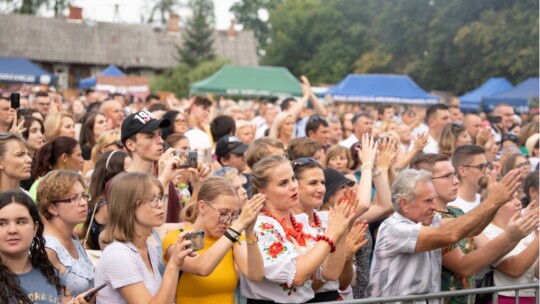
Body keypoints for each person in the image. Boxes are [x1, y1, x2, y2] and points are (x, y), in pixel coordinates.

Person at [365, 167, 521, 302]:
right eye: (428, 201)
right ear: (405, 204)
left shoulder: (431, 221)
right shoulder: (393, 228)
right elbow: (450, 234)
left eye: (434, 199)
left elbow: (472, 229)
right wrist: (492, 202)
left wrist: (496, 203)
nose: (434, 206)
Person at [411, 153, 538, 304]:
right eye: (447, 176)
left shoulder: (456, 211)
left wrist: (517, 232)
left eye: (454, 175)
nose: (456, 181)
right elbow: (464, 266)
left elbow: (491, 250)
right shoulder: (426, 219)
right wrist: (494, 203)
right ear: (424, 182)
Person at [241, 155, 355, 303]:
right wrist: (332, 234)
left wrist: (341, 227)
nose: (293, 186)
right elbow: (297, 275)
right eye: (283, 183)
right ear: (263, 193)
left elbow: (330, 273)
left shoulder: (302, 221)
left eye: (293, 179)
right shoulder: (260, 226)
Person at [163, 176, 265, 304]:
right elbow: (202, 267)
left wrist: (249, 232)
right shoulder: (178, 238)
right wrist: (237, 226)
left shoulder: (230, 238)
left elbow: (256, 274)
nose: (228, 220)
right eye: (223, 213)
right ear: (202, 207)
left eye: (233, 215)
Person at [94, 172, 193, 303]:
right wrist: (174, 264)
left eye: (160, 197)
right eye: (152, 199)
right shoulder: (118, 255)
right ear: (128, 206)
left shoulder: (149, 249)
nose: (160, 204)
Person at [291, 157, 369, 302]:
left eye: (323, 182)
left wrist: (346, 259)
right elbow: (300, 288)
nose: (321, 189)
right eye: (312, 183)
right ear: (294, 186)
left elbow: (343, 283)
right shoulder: (287, 225)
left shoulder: (330, 220)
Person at [0, 191, 93, 303]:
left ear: (35, 227)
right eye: (2, 223)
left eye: (21, 222)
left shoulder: (49, 271)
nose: (12, 230)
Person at [37, 170, 94, 297]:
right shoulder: (48, 249)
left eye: (84, 196)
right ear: (52, 208)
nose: (84, 203)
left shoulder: (72, 238)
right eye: (74, 199)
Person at [479, 193, 539, 304]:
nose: (518, 202)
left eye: (517, 197)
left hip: (529, 297)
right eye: (510, 199)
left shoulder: (519, 229)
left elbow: (537, 273)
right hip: (504, 299)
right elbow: (514, 269)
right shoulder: (487, 231)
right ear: (493, 206)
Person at [83, 150, 131, 250]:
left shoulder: (97, 199)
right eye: (127, 171)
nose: (133, 174)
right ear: (115, 174)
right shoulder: (108, 207)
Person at [30, 137, 84, 201]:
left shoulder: (78, 183)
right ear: (64, 158)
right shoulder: (40, 186)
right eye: (79, 155)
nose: (82, 160)